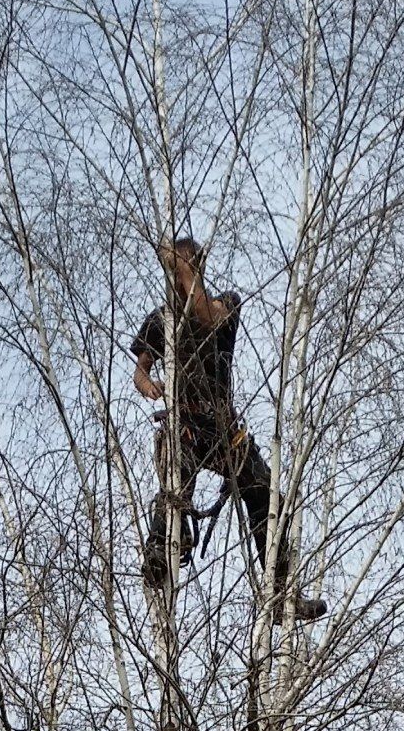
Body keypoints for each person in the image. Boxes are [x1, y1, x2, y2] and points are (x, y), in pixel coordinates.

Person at [131, 239, 321, 618]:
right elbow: (142, 367)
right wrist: (147, 384)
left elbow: (204, 315)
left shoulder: (226, 305)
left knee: (266, 496)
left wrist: (186, 270)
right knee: (173, 491)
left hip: (222, 429)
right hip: (185, 425)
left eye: (187, 267)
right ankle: (159, 554)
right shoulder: (161, 320)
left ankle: (280, 592)